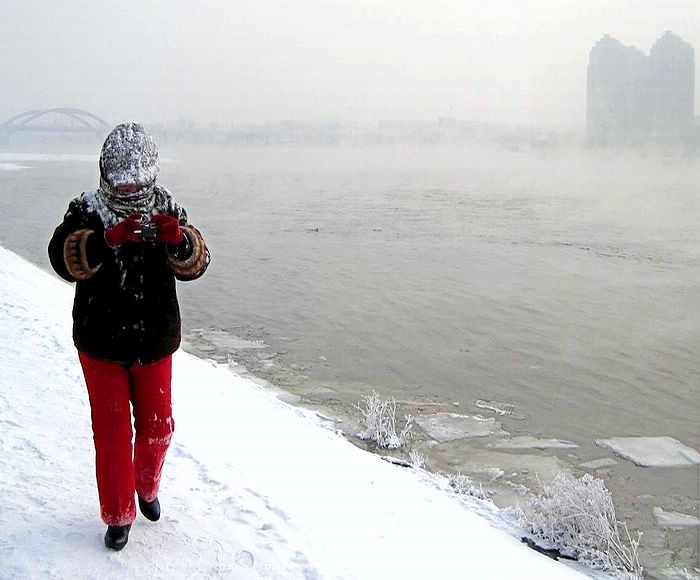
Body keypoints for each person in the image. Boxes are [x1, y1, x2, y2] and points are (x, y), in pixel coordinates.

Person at [48, 123, 210, 550]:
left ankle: (146, 486)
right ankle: (118, 515)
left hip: (154, 343)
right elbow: (61, 259)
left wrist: (178, 241)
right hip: (100, 344)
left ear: (151, 172)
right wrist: (104, 241)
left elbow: (197, 261)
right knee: (112, 432)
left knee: (158, 427)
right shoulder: (86, 208)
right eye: (122, 179)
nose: (129, 186)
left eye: (137, 178)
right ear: (106, 172)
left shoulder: (166, 206)